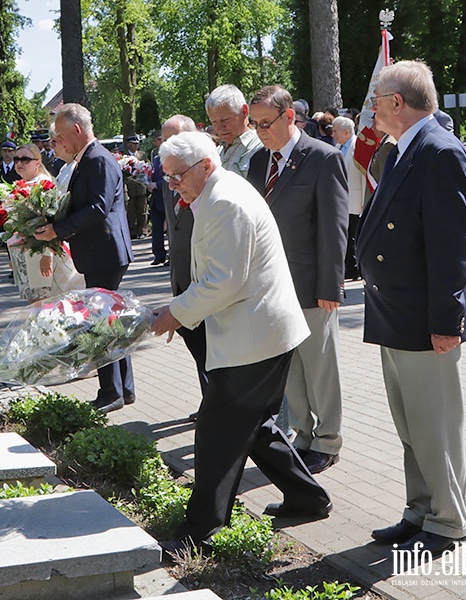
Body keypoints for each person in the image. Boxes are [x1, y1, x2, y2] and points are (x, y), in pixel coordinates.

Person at [149, 131, 330, 556]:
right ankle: (307, 498)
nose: (172, 185)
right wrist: (180, 309)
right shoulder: (216, 192)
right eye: (168, 177)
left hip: (257, 336)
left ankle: (202, 532)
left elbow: (223, 281)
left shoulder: (224, 201)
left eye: (177, 177)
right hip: (257, 331)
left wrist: (176, 312)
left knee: (217, 431)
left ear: (205, 166)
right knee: (252, 425)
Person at [357, 60, 466, 558]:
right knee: (411, 427)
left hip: (427, 322)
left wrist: (447, 322)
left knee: (435, 428)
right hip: (395, 314)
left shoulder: (439, 151)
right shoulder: (405, 149)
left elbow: (453, 247)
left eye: (376, 100)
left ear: (397, 103)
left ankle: (447, 521)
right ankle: (419, 509)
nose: (371, 110)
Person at [247, 86, 349, 475]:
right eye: (254, 124)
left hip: (311, 283)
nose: (260, 131)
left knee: (321, 366)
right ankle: (303, 434)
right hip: (271, 286)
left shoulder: (322, 158)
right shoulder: (259, 162)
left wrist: (331, 286)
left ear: (290, 117)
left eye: (266, 123)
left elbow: (334, 228)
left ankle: (328, 440)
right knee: (291, 367)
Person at [34, 103, 135, 414]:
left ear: (77, 129)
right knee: (110, 321)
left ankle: (111, 392)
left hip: (104, 252)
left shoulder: (97, 159)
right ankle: (124, 388)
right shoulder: (88, 159)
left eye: (61, 134)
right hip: (101, 251)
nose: (59, 140)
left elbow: (97, 208)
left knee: (100, 324)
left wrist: (58, 229)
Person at [160, 115, 208, 413]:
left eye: (174, 139)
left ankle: (216, 407)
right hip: (181, 277)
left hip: (205, 282)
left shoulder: (203, 181)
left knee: (213, 352)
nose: (167, 145)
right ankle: (210, 402)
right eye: (164, 140)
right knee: (199, 353)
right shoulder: (169, 179)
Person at [6, 143, 83, 303]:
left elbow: (48, 222)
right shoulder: (21, 184)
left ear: (38, 162)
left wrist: (46, 255)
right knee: (35, 301)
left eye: (25, 159)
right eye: (17, 159)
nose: (19, 163)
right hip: (27, 251)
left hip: (42, 252)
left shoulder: (43, 185)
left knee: (44, 302)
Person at [332, 116, 366, 280]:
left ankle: (355, 269)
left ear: (346, 132)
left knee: (354, 235)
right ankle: (349, 268)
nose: (332, 134)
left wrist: (363, 202)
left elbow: (362, 176)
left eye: (335, 131)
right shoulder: (338, 146)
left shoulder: (357, 146)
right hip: (342, 200)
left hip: (355, 199)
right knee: (344, 235)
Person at [205, 84, 263, 177]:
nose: (219, 127)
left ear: (244, 111)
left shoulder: (259, 148)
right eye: (214, 121)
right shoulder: (218, 151)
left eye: (225, 120)